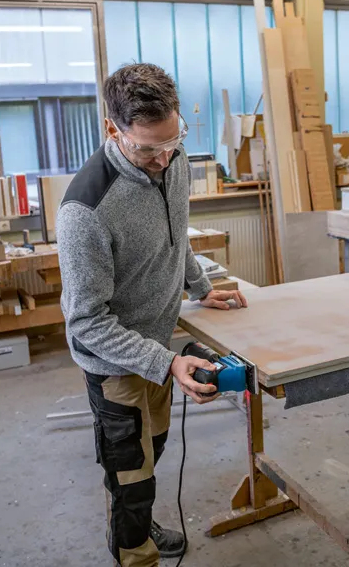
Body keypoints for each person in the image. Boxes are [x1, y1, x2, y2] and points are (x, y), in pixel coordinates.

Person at [56, 62, 247, 567]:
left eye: (173, 140)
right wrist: (165, 363)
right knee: (131, 474)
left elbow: (174, 232)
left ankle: (138, 520)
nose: (164, 159)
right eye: (147, 149)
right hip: (116, 362)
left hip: (159, 347)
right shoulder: (87, 211)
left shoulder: (173, 157)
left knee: (153, 448)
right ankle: (133, 549)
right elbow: (86, 322)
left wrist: (201, 288)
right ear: (111, 130)